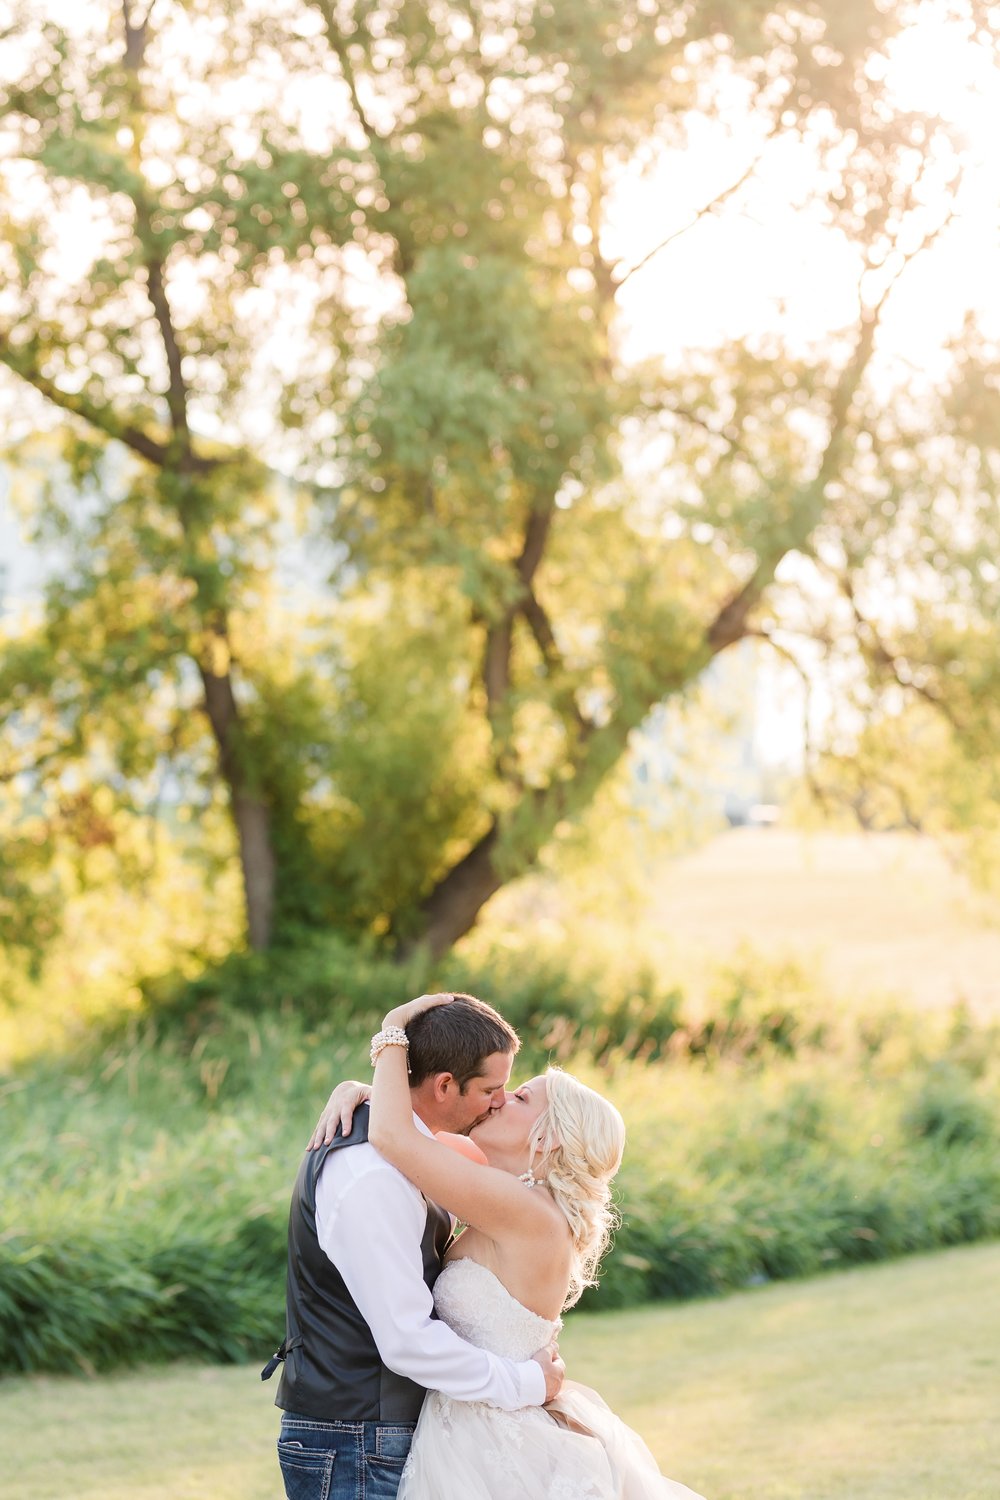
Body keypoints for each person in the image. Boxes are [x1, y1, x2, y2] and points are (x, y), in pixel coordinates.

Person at [311, 992, 706, 1500]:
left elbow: (394, 1137)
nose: (498, 1099)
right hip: (469, 1420)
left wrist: (393, 1030)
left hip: (491, 1436)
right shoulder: (507, 1193)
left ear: (546, 1140)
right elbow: (416, 1122)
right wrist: (358, 1089)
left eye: (519, 1098)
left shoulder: (526, 1213)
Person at [264, 992, 565, 1500]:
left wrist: (363, 1083)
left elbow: (398, 1126)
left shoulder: (406, 1148)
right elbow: (406, 1338)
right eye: (492, 1089)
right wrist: (524, 1384)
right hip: (356, 1438)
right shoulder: (372, 1176)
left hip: (377, 1433)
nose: (499, 1101)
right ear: (445, 1085)